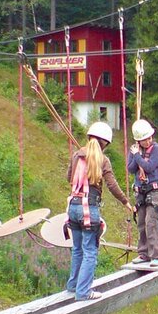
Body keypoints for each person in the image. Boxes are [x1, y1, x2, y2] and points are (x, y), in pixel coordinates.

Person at [66, 122, 134, 301]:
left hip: (73, 206)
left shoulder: (77, 155)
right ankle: (83, 292)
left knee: (77, 249)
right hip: (89, 209)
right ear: (105, 143)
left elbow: (68, 178)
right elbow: (112, 185)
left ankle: (73, 285)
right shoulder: (103, 160)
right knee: (90, 251)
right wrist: (126, 202)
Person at [127, 119, 158, 267]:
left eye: (149, 138)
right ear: (138, 140)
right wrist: (136, 156)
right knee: (142, 222)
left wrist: (137, 156)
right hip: (141, 191)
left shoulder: (156, 149)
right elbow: (131, 168)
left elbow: (149, 167)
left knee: (151, 222)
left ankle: (156, 255)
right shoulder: (135, 149)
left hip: (154, 191)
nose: (148, 141)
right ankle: (143, 253)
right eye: (145, 140)